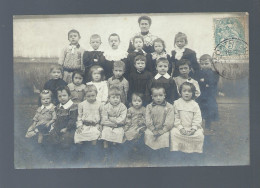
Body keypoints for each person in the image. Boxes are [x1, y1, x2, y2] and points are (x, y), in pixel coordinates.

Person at [170, 82, 204, 153]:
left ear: (193, 93)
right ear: (180, 92)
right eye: (184, 91)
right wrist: (180, 128)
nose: (187, 93)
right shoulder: (176, 103)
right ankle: (177, 152)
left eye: (189, 91)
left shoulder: (195, 105)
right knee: (173, 133)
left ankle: (194, 152)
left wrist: (193, 129)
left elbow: (197, 119)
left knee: (199, 135)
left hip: (192, 128)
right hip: (180, 128)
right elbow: (175, 117)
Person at [195, 54, 219, 133]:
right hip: (200, 97)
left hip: (209, 96)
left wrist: (204, 82)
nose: (204, 66)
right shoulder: (198, 73)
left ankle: (208, 128)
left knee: (209, 112)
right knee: (200, 112)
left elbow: (213, 83)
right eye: (202, 64)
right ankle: (199, 128)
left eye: (206, 63)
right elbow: (197, 82)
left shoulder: (215, 73)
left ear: (211, 64)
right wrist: (205, 83)